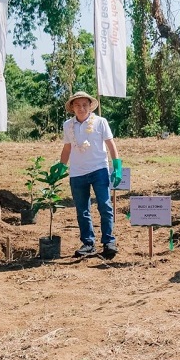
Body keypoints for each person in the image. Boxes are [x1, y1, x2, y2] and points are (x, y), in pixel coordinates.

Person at [54, 91, 123, 259]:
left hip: (99, 169)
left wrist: (117, 166)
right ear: (72, 108)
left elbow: (110, 143)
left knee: (105, 206)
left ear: (90, 106)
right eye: (77, 105)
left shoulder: (100, 122)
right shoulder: (67, 125)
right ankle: (88, 243)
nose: (81, 108)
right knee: (82, 210)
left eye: (85, 105)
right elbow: (67, 147)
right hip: (77, 173)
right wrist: (61, 166)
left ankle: (108, 241)